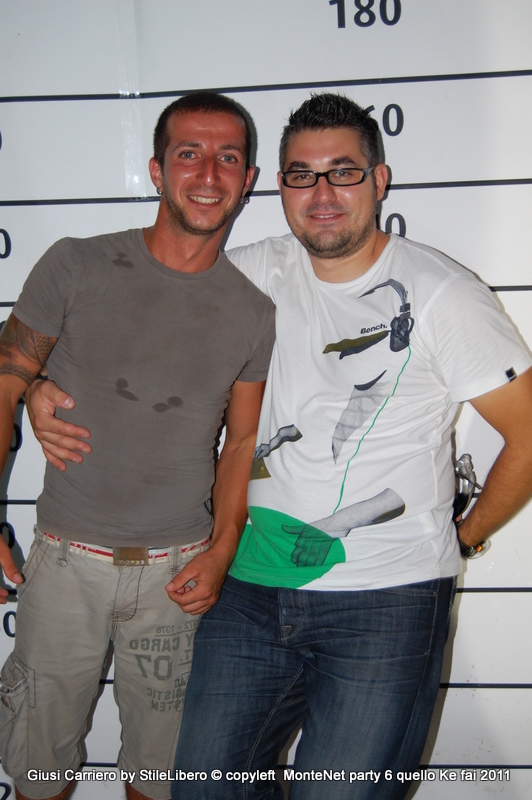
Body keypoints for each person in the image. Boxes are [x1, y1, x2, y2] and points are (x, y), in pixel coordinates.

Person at [26, 94, 532, 800]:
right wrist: (35, 384)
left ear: (380, 180)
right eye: (302, 175)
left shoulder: (442, 294)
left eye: (343, 172)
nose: (322, 193)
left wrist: (467, 536)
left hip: (385, 603)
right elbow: (135, 318)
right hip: (247, 590)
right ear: (279, 186)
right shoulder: (250, 272)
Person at [0, 92, 275, 800]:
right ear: (156, 170)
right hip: (65, 566)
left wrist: (222, 550)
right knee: (38, 775)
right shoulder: (75, 265)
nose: (208, 174)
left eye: (228, 158)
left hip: (177, 579)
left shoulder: (254, 311)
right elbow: (5, 383)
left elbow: (242, 441)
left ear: (248, 179)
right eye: (189, 153)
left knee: (159, 779)